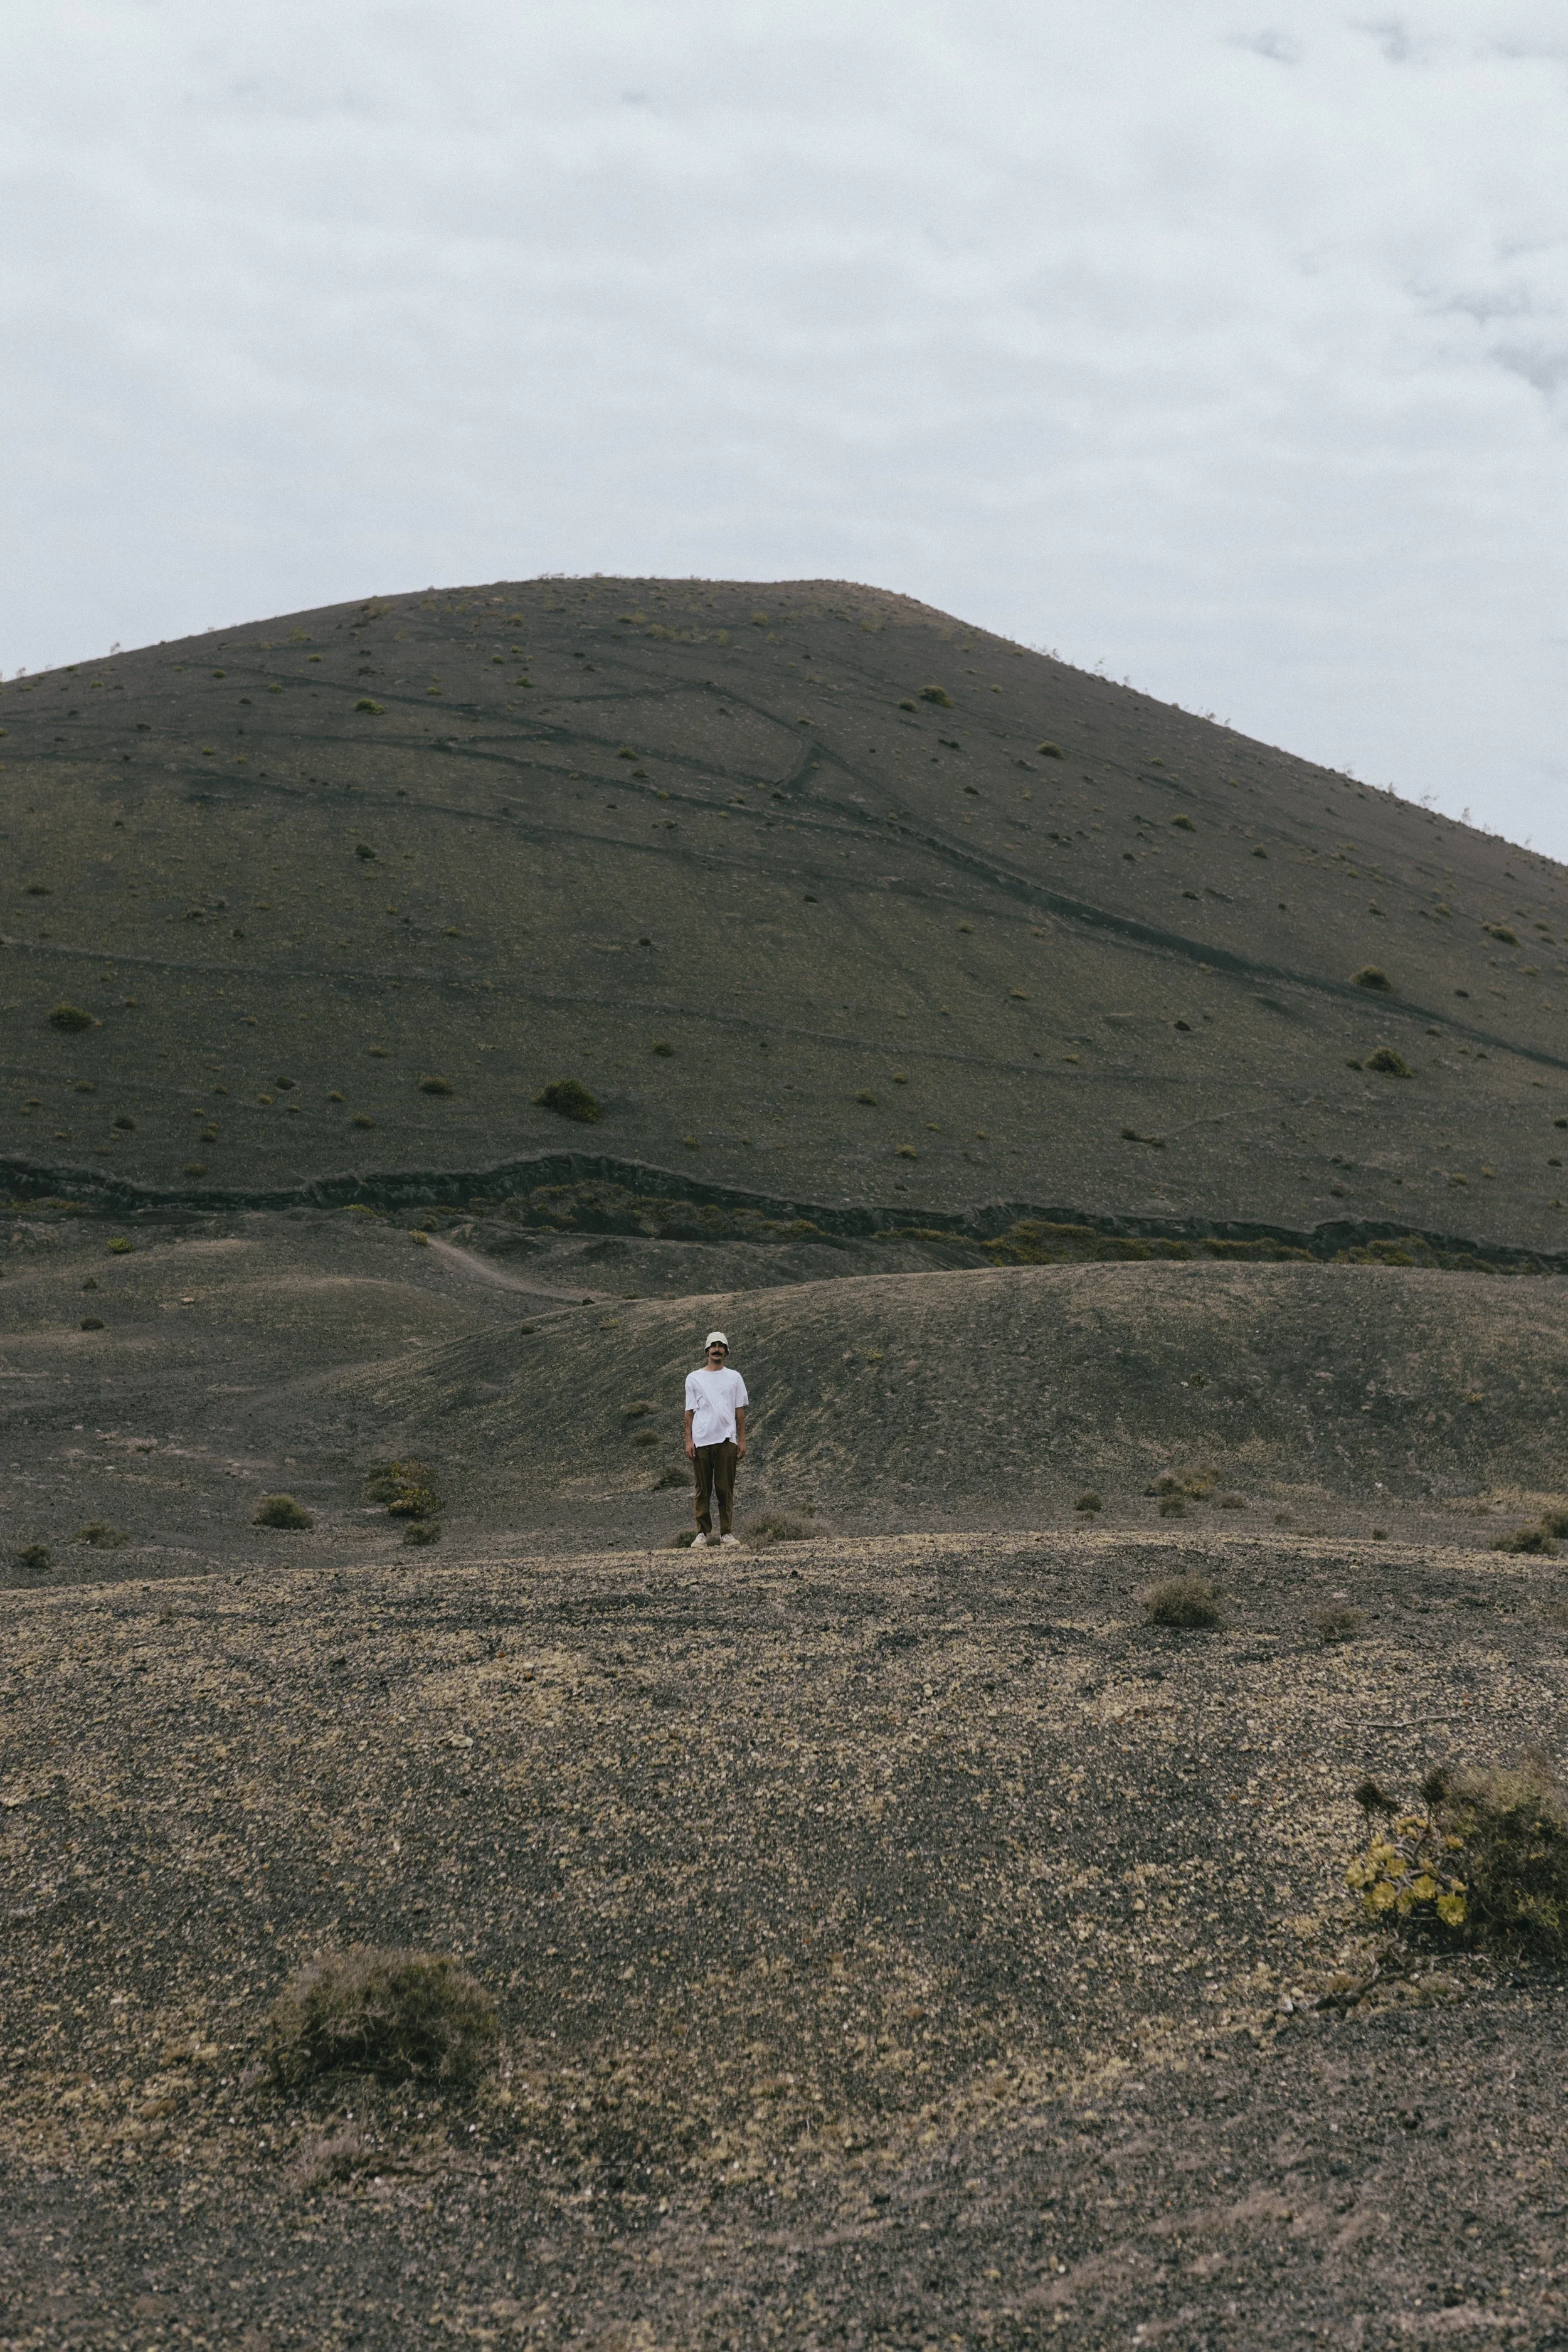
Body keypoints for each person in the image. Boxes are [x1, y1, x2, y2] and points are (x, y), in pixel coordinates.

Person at [684, 1330, 748, 1547]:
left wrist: (742, 1440)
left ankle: (726, 1533)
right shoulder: (694, 1378)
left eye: (721, 1346)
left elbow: (740, 1412)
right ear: (707, 1350)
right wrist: (688, 1440)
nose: (717, 1349)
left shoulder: (734, 1377)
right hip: (701, 1441)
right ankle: (702, 1533)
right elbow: (689, 1412)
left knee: (725, 1489)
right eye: (714, 1346)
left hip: (726, 1441)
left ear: (726, 1351)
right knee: (702, 1489)